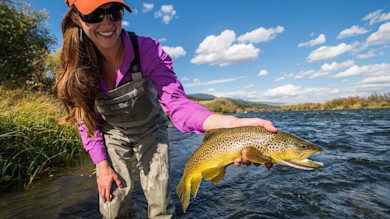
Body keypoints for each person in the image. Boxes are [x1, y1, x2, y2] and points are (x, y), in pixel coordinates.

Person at [56, 0, 277, 218]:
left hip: (151, 130)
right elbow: (86, 119)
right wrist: (102, 165)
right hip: (112, 134)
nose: (107, 23)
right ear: (77, 18)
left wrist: (228, 123)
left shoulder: (146, 50)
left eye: (115, 12)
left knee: (160, 203)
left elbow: (177, 104)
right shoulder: (77, 63)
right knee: (112, 205)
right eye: (95, 14)